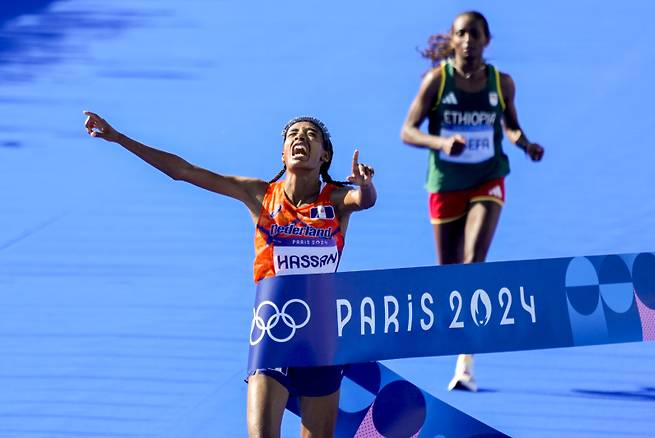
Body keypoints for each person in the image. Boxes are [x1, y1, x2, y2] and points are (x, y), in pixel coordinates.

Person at [83, 111, 377, 437]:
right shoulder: (260, 195)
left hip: (321, 339)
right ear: (282, 152)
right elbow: (184, 172)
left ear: (325, 156)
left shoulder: (335, 202)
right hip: (274, 330)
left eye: (311, 135)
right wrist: (119, 137)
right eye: (293, 134)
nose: (300, 138)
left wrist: (365, 186)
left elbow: (363, 200)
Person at [400, 11, 544, 392]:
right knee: (451, 279)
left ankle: (466, 364)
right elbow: (408, 131)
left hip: (488, 178)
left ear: (487, 40)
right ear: (453, 39)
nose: (469, 40)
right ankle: (458, 341)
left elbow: (510, 124)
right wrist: (442, 142)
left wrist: (525, 144)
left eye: (476, 34)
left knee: (472, 266)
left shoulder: (502, 83)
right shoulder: (437, 81)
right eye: (462, 33)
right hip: (446, 183)